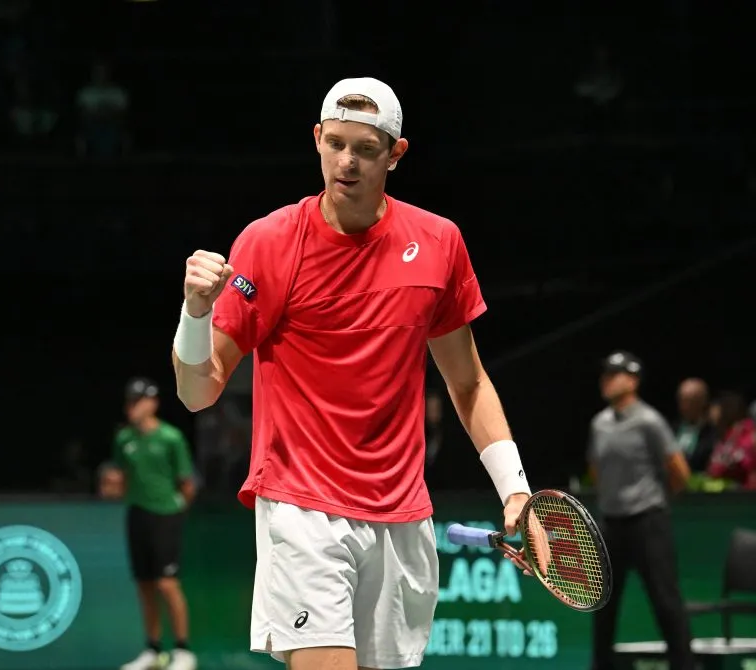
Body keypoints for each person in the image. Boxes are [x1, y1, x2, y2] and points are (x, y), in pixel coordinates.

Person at [171, 77, 534, 670]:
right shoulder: (268, 244)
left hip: (401, 512)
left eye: (366, 149)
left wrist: (514, 487)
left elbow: (466, 383)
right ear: (317, 139)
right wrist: (194, 313)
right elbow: (197, 390)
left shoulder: (439, 243)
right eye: (335, 143)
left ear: (396, 153)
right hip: (302, 504)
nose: (347, 162)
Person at [587, 351, 694, 670]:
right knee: (603, 605)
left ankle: (685, 666)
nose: (607, 380)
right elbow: (595, 469)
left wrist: (653, 499)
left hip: (648, 522)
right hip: (610, 525)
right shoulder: (599, 424)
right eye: (605, 374)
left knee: (665, 601)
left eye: (615, 374)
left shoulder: (649, 420)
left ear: (633, 379)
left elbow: (679, 471)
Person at [100, 377, 198, 670]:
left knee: (167, 584)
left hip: (166, 515)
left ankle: (183, 651)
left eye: (138, 401)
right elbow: (119, 479)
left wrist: (178, 509)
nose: (132, 407)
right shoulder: (124, 440)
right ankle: (153, 650)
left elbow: (187, 483)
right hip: (137, 514)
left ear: (152, 403)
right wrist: (111, 487)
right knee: (144, 585)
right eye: (129, 401)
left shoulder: (171, 438)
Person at [706, 392, 756, 490]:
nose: (711, 413)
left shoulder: (746, 429)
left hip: (753, 491)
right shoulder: (724, 436)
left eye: (715, 408)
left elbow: (750, 461)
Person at [673, 378, 715, 472]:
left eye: (690, 401)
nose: (684, 406)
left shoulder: (711, 432)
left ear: (702, 402)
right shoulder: (672, 428)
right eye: (681, 400)